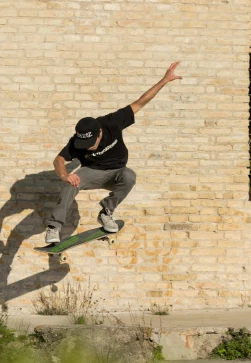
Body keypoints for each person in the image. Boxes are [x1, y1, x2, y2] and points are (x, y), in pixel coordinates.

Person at [45, 62, 183, 244]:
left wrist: (164, 80)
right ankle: (54, 227)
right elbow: (59, 159)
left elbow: (141, 102)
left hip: (116, 172)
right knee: (70, 184)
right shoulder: (77, 141)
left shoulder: (112, 122)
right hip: (92, 172)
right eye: (84, 144)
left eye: (90, 143)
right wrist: (64, 175)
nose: (87, 147)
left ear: (100, 132)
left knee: (130, 176)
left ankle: (106, 212)